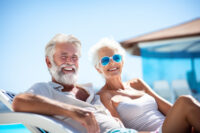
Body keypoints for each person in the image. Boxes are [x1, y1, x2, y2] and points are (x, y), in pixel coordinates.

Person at [12, 34, 142, 133]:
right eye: (64, 56)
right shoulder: (46, 89)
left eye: (74, 57)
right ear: (49, 62)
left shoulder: (89, 90)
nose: (70, 62)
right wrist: (73, 111)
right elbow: (19, 101)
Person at [89, 38, 200, 133]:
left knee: (187, 106)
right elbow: (121, 130)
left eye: (116, 58)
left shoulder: (137, 84)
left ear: (122, 61)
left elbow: (169, 109)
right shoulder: (104, 96)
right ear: (98, 68)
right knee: (185, 101)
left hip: (171, 127)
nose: (112, 62)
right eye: (105, 60)